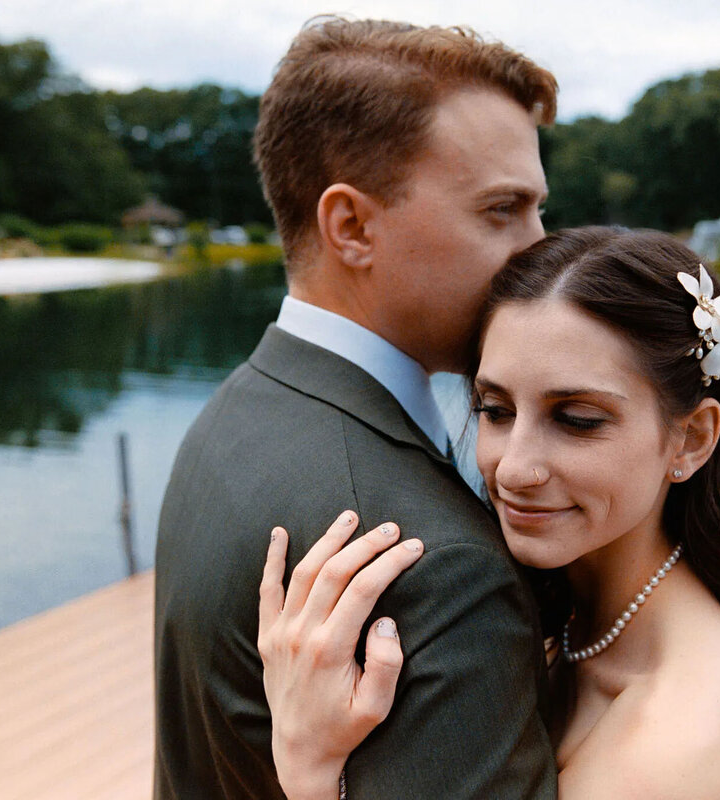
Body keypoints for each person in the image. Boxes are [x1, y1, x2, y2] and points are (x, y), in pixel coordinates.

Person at [258, 228, 720, 799]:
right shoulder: (562, 622)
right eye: (494, 411)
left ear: (691, 439)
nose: (514, 468)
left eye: (576, 420)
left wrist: (309, 770)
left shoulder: (687, 729)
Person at [153, 17, 560, 799]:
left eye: (540, 210)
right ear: (352, 227)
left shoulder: (236, 414)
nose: (543, 249)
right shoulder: (433, 565)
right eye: (502, 210)